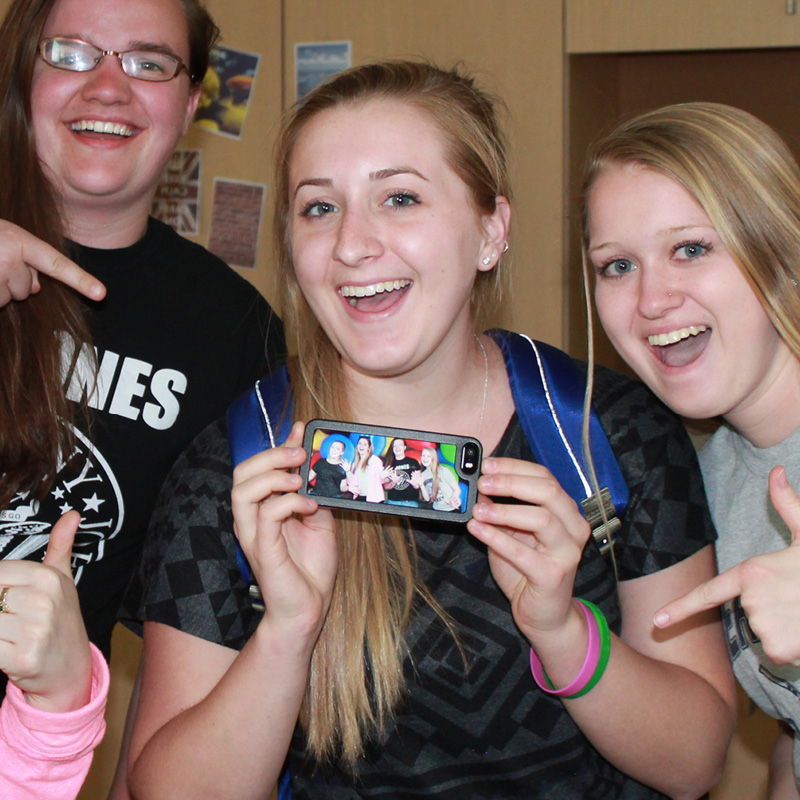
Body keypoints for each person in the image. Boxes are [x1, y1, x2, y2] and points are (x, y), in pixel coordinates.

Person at [124, 62, 735, 799]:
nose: (352, 245)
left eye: (400, 198)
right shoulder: (236, 472)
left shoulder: (608, 433)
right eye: (319, 208)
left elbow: (696, 762)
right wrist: (287, 629)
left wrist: (562, 629)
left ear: (490, 230)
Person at [0, 0, 285, 681]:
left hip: (39, 753)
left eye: (148, 63)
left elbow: (194, 635)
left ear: (189, 105)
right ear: (20, 77)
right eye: (70, 53)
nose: (108, 87)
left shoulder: (233, 332)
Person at [582, 101, 800, 796]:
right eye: (616, 265)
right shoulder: (701, 479)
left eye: (691, 249)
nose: (651, 300)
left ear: (782, 249)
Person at [413, 446, 462, 511]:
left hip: (452, 509)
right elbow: (428, 499)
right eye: (423, 456)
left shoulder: (443, 470)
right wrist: (421, 485)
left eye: (428, 456)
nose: (425, 459)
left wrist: (452, 501)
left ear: (433, 458)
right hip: (437, 509)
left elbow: (457, 489)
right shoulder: (423, 475)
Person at [381, 438, 422, 507]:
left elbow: (417, 485)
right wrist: (394, 482)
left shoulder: (413, 462)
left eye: (400, 445)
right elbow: (386, 487)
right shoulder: (389, 463)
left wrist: (414, 484)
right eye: (395, 446)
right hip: (393, 502)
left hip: (410, 503)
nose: (397, 448)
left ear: (404, 447)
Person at [346, 435, 384, 502]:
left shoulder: (374, 460)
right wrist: (348, 472)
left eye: (365, 444)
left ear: (369, 448)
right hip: (360, 497)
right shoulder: (355, 463)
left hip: (373, 499)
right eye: (360, 443)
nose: (361, 446)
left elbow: (380, 478)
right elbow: (353, 482)